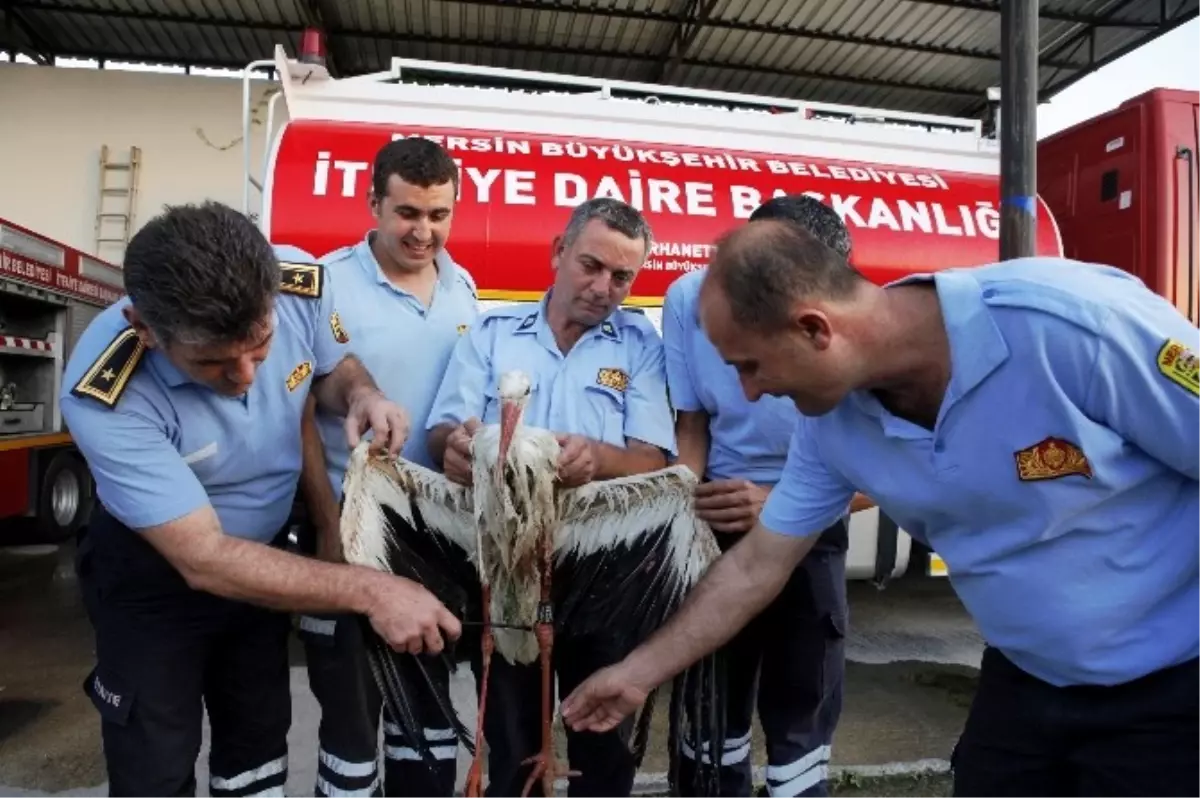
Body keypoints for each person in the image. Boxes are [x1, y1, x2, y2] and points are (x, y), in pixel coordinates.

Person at [561, 218, 1200, 798]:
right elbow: (758, 566)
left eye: (750, 367)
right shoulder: (833, 426)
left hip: (1169, 690)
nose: (751, 395)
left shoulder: (1074, 328)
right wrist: (638, 673)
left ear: (814, 328)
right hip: (1026, 680)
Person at [61, 201, 461, 798]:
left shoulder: (297, 283)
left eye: (261, 346)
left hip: (269, 563)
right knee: (155, 760)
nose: (246, 377)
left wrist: (361, 395)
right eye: (213, 363)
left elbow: (330, 367)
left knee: (256, 746)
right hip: (157, 581)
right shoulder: (105, 395)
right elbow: (202, 557)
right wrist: (375, 590)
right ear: (144, 328)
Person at [425, 197, 676, 798]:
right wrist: (454, 450)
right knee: (512, 746)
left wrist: (598, 459)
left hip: (606, 575)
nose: (603, 287)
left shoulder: (640, 344)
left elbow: (655, 460)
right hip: (511, 569)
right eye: (591, 265)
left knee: (604, 747)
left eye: (622, 277)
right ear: (559, 253)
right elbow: (442, 429)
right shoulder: (491, 335)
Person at [663, 195, 873, 798]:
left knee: (801, 716)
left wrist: (783, 503)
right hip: (717, 520)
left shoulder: (860, 322)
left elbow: (888, 472)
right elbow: (692, 426)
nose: (750, 388)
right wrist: (679, 511)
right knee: (707, 712)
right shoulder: (686, 299)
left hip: (812, 527)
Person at [296, 137, 480, 798]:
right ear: (373, 204)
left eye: (438, 215)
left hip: (434, 540)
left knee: (426, 729)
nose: (423, 231)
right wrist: (325, 532)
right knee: (350, 732)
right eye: (407, 213)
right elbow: (298, 412)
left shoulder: (465, 289)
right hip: (346, 536)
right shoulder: (324, 282)